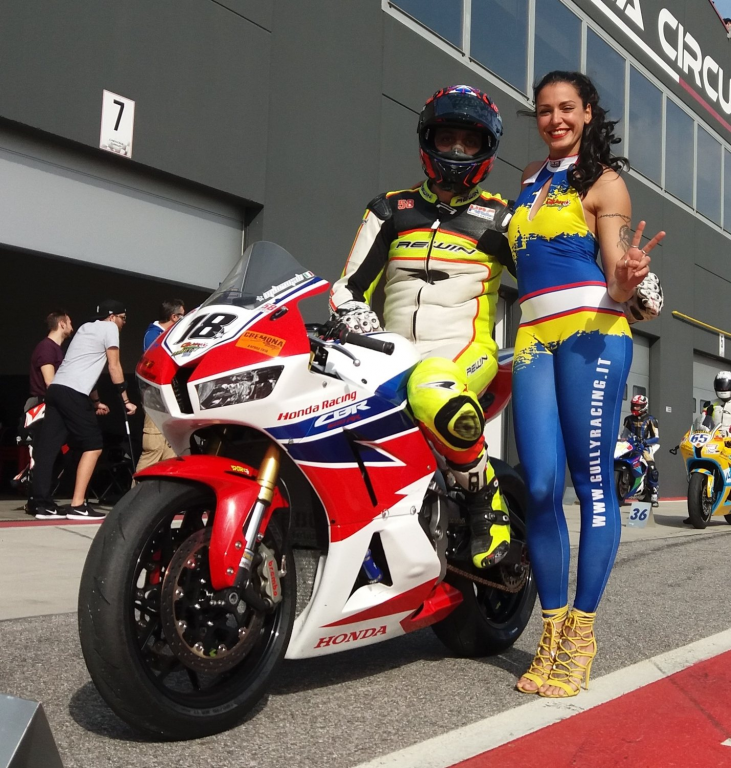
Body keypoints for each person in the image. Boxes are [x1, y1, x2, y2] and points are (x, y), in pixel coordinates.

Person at [508, 71, 666, 698]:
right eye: (545, 110)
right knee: (539, 485)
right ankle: (550, 632)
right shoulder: (528, 178)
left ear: (589, 113)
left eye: (567, 108)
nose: (555, 119)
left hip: (591, 332)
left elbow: (616, 277)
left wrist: (628, 276)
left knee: (591, 482)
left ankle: (580, 633)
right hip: (531, 336)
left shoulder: (605, 183)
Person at [330, 85, 516, 569]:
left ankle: (487, 502)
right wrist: (354, 317)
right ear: (427, 140)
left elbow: (555, 282)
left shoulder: (504, 219)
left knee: (431, 386)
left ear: (487, 149)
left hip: (464, 352)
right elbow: (348, 286)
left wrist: (624, 286)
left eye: (469, 142)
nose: (457, 149)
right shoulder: (389, 209)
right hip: (390, 354)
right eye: (447, 137)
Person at [31, 299, 137, 520]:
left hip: (57, 390)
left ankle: (41, 505)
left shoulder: (84, 329)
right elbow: (114, 366)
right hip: (73, 393)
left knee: (48, 448)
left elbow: (85, 368)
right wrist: (125, 399)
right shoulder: (110, 328)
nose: (124, 323)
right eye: (123, 318)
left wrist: (95, 401)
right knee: (94, 445)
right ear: (112, 317)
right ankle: (78, 505)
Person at [136, 299, 185, 473]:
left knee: (171, 452)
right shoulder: (154, 335)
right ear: (174, 317)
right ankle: (137, 490)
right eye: (182, 316)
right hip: (156, 399)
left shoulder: (169, 335)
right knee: (153, 447)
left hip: (172, 399)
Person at [27, 310, 73, 410]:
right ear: (62, 324)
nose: (72, 328)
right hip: (43, 405)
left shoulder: (55, 348)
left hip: (51, 402)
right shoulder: (47, 347)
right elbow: (50, 381)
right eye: (70, 323)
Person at [622, 394, 660, 506]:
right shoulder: (628, 419)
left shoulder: (651, 419)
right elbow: (624, 433)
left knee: (651, 467)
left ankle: (653, 492)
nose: (635, 408)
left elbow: (656, 437)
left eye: (638, 406)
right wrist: (622, 439)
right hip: (629, 445)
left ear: (644, 406)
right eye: (634, 405)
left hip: (644, 446)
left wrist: (645, 442)